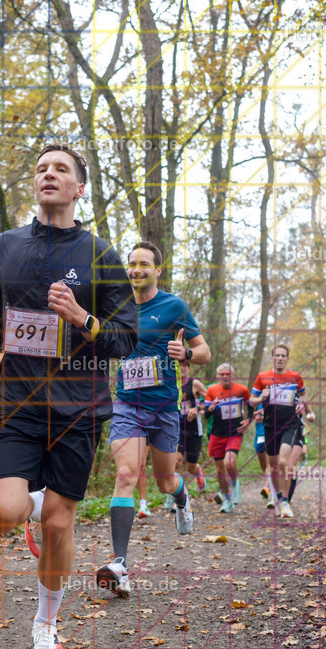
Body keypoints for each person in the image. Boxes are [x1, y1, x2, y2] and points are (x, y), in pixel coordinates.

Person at [0, 145, 136, 649]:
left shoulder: (101, 255)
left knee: (61, 525)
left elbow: (126, 338)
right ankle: (33, 502)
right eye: (41, 168)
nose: (49, 174)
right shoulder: (5, 247)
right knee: (0, 514)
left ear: (79, 189)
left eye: (61, 169)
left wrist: (83, 318)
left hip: (79, 409)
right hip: (17, 403)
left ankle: (46, 626)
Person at [96, 242, 210, 597]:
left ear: (157, 270)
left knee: (163, 480)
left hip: (163, 408)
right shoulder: (116, 307)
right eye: (131, 263)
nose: (136, 269)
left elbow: (204, 352)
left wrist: (185, 352)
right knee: (126, 474)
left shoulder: (173, 306)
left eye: (144, 264)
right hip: (128, 405)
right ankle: (120, 565)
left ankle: (181, 495)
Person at [250, 345, 306, 518]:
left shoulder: (295, 377)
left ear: (287, 358)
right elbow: (251, 401)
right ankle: (278, 496)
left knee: (283, 462)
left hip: (290, 425)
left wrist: (302, 404)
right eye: (277, 355)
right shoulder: (262, 377)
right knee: (274, 467)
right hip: (269, 426)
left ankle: (285, 501)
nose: (280, 358)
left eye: (283, 356)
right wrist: (262, 397)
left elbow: (303, 396)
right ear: (272, 358)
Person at [203, 365, 253, 513]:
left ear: (233, 375)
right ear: (217, 376)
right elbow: (206, 415)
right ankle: (227, 499)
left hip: (234, 432)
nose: (225, 377)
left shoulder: (242, 390)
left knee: (229, 463)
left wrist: (248, 420)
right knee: (220, 470)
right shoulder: (211, 390)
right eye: (222, 374)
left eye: (228, 374)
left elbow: (250, 406)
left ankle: (235, 484)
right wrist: (211, 408)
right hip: (217, 434)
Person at [176, 360, 209, 499]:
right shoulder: (173, 384)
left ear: (189, 368)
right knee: (176, 461)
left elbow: (211, 400)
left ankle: (198, 473)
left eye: (185, 365)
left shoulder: (195, 384)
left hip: (194, 430)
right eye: (180, 365)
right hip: (177, 429)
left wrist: (197, 408)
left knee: (191, 467)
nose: (182, 368)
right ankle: (177, 495)